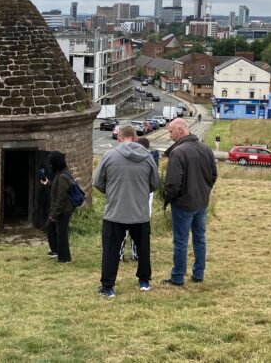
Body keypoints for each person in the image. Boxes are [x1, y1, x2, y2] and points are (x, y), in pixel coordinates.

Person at [93, 125, 160, 297]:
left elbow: (98, 182)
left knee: (111, 250)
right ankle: (144, 281)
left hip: (115, 211)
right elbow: (154, 183)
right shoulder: (148, 157)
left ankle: (108, 287)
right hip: (140, 212)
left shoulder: (109, 156)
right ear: (136, 138)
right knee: (143, 249)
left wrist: (112, 192)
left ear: (119, 138)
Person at [162, 118, 218, 286]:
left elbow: (173, 183)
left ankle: (177, 277)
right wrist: (205, 191)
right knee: (200, 238)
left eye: (171, 131)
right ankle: (198, 274)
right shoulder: (206, 148)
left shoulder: (178, 152)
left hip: (183, 204)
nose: (170, 135)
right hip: (201, 202)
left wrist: (167, 199)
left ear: (180, 129)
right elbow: (213, 175)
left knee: (180, 241)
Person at [40, 151, 75, 263]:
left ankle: (65, 258)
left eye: (51, 163)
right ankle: (56, 251)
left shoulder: (62, 176)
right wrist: (48, 183)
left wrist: (53, 215)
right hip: (61, 210)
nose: (50, 165)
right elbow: (58, 188)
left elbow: (61, 198)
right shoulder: (61, 173)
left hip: (63, 211)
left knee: (61, 234)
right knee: (51, 228)